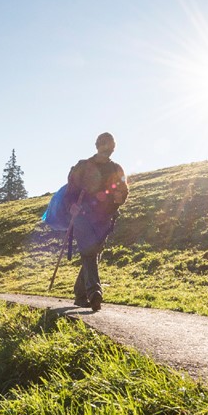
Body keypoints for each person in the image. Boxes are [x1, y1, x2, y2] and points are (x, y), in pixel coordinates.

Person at [67, 132, 128, 311]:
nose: (106, 148)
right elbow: (71, 190)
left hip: (104, 219)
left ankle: (79, 294)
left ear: (113, 148)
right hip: (83, 217)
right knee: (89, 251)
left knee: (93, 254)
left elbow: (124, 190)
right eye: (103, 144)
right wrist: (71, 205)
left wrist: (120, 197)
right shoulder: (83, 166)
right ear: (97, 145)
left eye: (109, 145)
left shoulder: (117, 169)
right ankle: (94, 293)